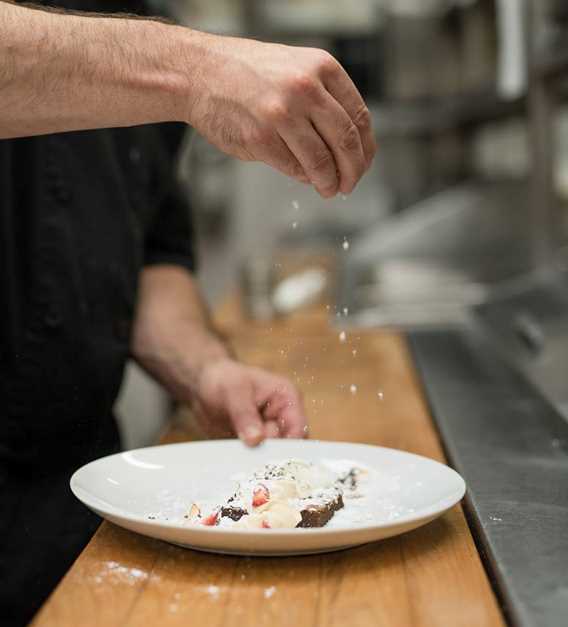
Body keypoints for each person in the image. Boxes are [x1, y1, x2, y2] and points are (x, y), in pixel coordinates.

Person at [0, 1, 377, 625]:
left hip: (76, 514)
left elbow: (146, 258)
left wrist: (205, 371)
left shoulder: (140, 14)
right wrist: (194, 69)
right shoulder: (166, 55)